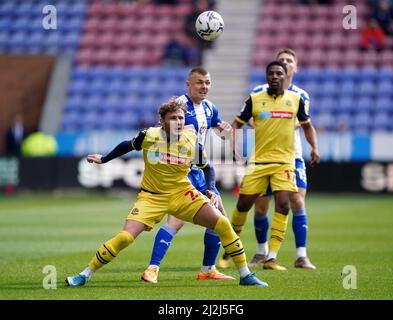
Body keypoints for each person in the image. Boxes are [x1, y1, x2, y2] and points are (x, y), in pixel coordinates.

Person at [65, 97, 267, 287]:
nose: (178, 122)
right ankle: (84, 275)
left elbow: (207, 167)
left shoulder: (190, 140)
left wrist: (212, 189)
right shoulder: (149, 136)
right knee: (125, 237)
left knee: (222, 223)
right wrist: (104, 159)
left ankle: (245, 275)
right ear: (161, 120)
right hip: (151, 197)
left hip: (182, 194)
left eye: (181, 118)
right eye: (173, 118)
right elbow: (128, 145)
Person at [219, 59, 320, 271]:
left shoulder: (296, 99)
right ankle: (229, 248)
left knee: (284, 205)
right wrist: (235, 145)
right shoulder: (255, 99)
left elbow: (307, 125)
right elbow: (237, 122)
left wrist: (314, 147)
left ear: (285, 77)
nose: (274, 76)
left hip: (285, 162)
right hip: (258, 163)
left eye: (278, 73)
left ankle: (271, 257)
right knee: (243, 206)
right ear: (266, 77)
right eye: (271, 73)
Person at [141, 67, 234, 284]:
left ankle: (208, 270)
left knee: (220, 219)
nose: (204, 87)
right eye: (199, 82)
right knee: (176, 221)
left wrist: (225, 131)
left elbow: (219, 129)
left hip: (200, 171)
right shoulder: (179, 107)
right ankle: (152, 268)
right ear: (188, 84)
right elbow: (160, 133)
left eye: (208, 82)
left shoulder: (210, 108)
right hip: (182, 172)